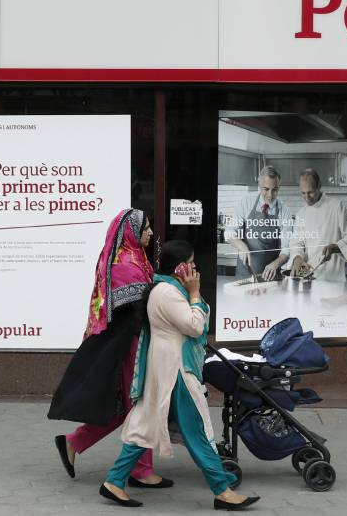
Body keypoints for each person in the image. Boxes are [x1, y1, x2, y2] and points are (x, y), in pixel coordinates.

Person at [100, 240, 260, 511]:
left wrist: (192, 293)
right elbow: (194, 326)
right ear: (180, 267)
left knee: (147, 425)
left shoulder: (167, 288)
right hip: (176, 371)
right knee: (196, 431)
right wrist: (195, 294)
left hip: (166, 369)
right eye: (192, 263)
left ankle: (114, 481)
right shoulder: (168, 293)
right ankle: (222, 490)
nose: (196, 269)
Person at [48, 209, 170, 488]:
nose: (151, 233)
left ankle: (75, 442)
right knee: (140, 405)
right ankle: (140, 470)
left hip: (134, 343)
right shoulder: (124, 265)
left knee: (128, 407)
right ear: (131, 232)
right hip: (129, 346)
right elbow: (140, 309)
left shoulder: (136, 259)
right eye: (146, 228)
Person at [224, 166, 292, 281]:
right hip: (245, 273)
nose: (270, 195)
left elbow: (287, 249)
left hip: (270, 275)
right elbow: (229, 232)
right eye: (266, 189)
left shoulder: (284, 211)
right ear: (259, 185)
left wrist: (275, 264)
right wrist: (241, 246)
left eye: (275, 190)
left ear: (279, 187)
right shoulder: (246, 201)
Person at [288, 169, 347, 282]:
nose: (307, 197)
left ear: (319, 186)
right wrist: (297, 258)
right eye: (303, 193)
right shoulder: (301, 214)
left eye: (310, 192)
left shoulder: (337, 207)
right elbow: (296, 244)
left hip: (334, 278)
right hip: (309, 277)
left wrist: (335, 247)